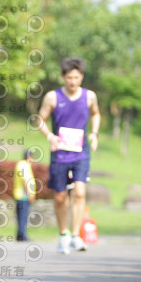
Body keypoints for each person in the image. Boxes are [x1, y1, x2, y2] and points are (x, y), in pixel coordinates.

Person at [37, 57, 100, 254]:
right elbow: (40, 119)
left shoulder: (89, 96)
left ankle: (75, 236)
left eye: (77, 77)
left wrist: (94, 133)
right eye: (69, 77)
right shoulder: (52, 97)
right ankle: (63, 234)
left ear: (81, 77)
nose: (73, 81)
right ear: (63, 77)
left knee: (80, 192)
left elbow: (96, 114)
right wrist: (50, 136)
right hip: (60, 153)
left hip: (81, 152)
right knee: (60, 197)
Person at [13, 149, 36, 241]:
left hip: (20, 195)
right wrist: (30, 194)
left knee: (20, 216)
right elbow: (25, 180)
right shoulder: (24, 165)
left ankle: (20, 234)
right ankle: (22, 234)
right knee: (23, 216)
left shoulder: (21, 164)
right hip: (23, 195)